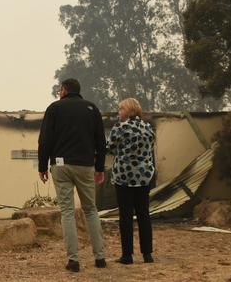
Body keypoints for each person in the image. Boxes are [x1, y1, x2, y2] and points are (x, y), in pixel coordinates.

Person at [38, 78, 107, 272]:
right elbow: (101, 142)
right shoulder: (92, 109)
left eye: (60, 89)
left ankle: (73, 260)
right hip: (85, 165)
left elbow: (45, 140)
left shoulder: (54, 108)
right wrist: (99, 167)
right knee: (91, 210)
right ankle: (100, 257)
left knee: (67, 212)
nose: (59, 92)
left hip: (61, 165)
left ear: (64, 90)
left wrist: (42, 166)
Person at [107, 98, 155, 264]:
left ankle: (127, 255)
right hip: (144, 177)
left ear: (128, 111)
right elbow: (150, 147)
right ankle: (147, 254)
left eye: (120, 110)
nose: (118, 113)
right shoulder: (148, 127)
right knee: (144, 214)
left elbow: (110, 148)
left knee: (125, 216)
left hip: (124, 177)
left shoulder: (120, 128)